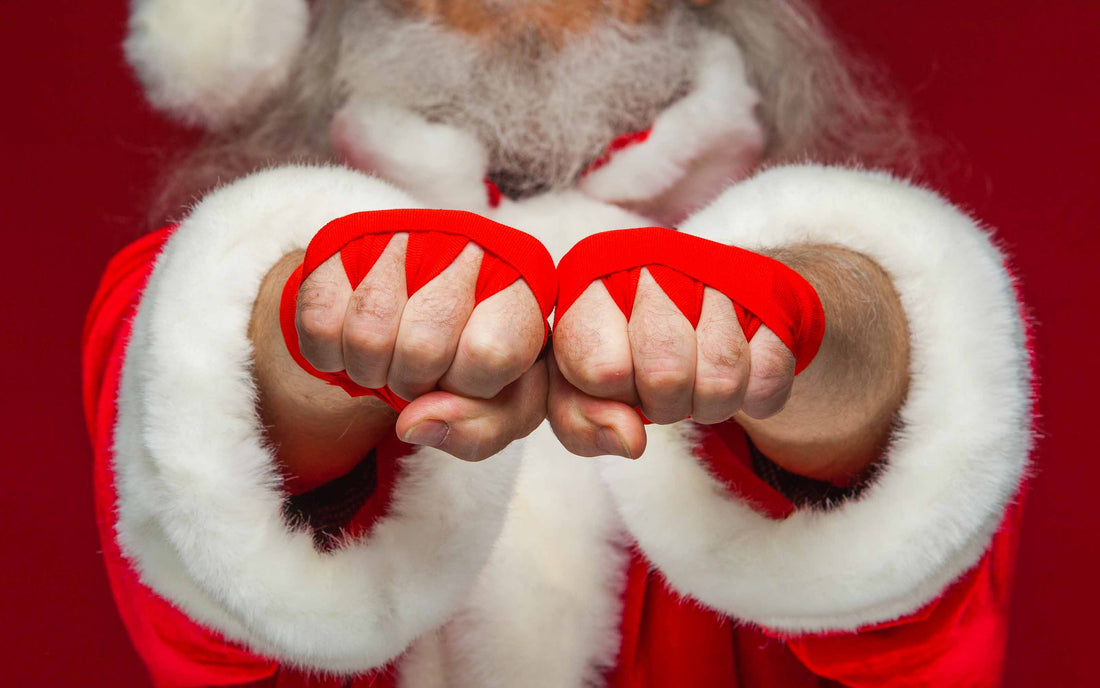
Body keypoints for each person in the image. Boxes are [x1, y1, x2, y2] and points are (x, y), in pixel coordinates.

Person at [83, 1, 1032, 685]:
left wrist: (812, 317)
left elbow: (919, 631)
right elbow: (200, 598)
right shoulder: (187, 289)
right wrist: (323, 326)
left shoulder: (911, 297)